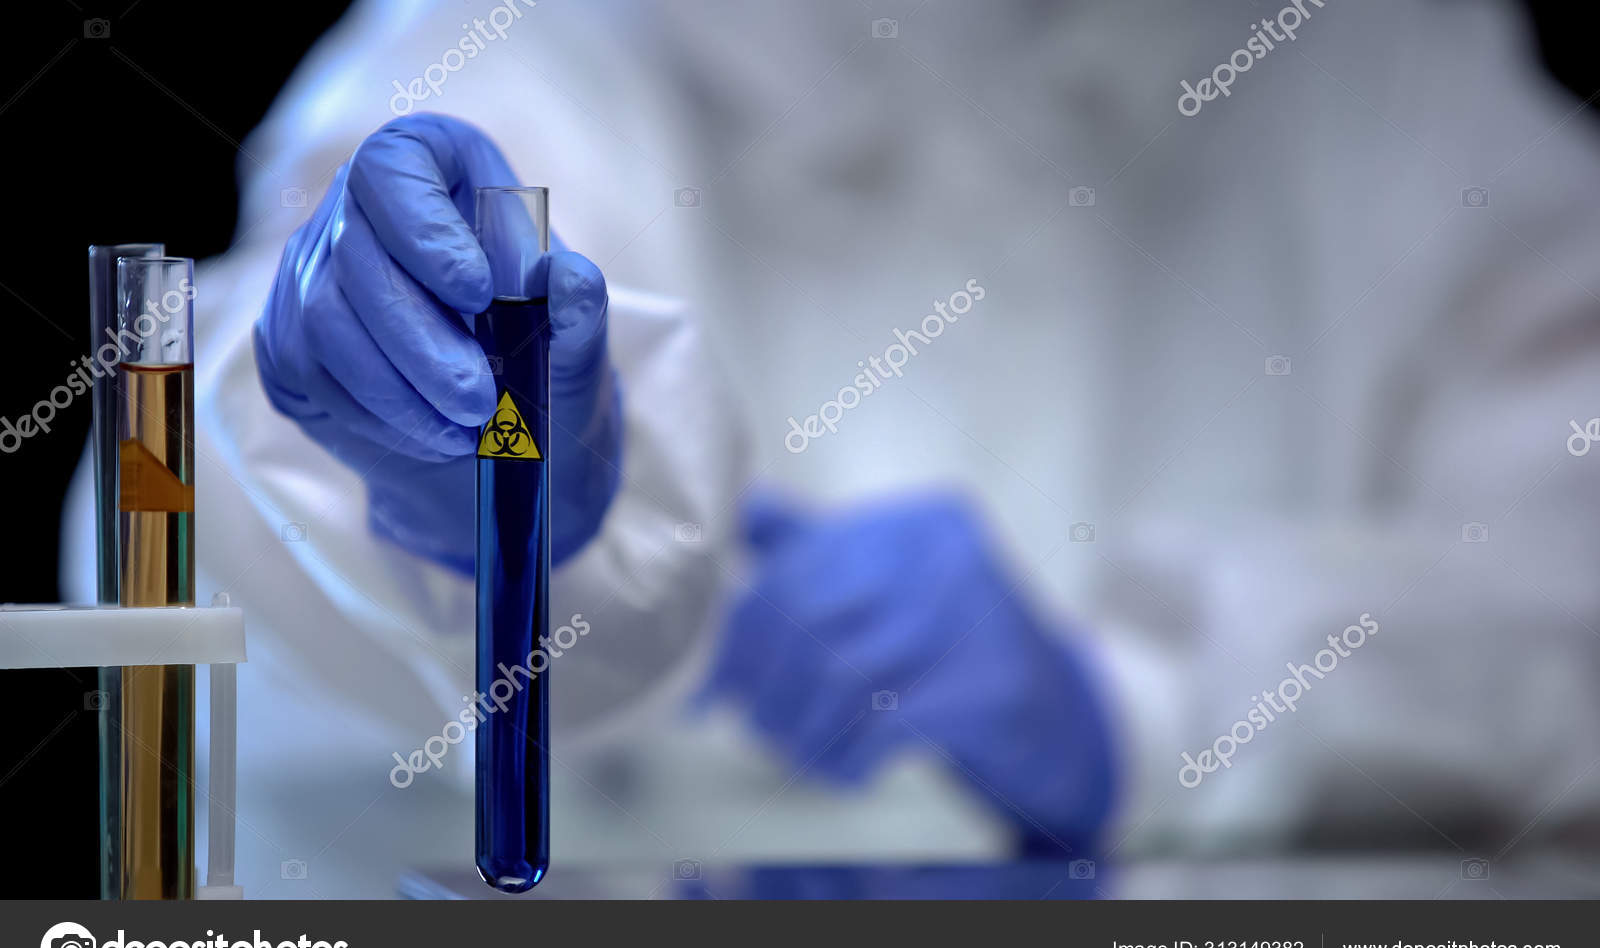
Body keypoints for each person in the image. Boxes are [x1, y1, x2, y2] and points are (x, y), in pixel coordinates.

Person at [63, 0, 1600, 896]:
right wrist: (423, 506)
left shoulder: (1388, 70)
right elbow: (168, 546)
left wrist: (1146, 696)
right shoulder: (528, 44)